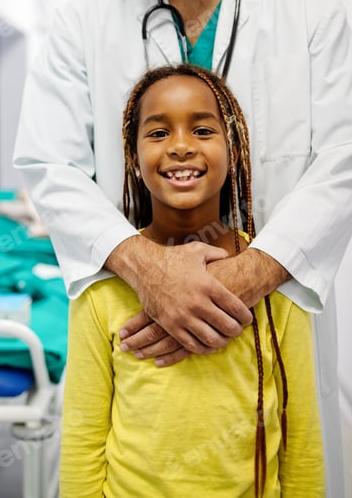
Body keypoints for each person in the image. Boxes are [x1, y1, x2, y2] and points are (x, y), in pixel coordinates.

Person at [14, 0, 352, 496]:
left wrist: (237, 282)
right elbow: (48, 167)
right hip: (141, 341)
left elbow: (346, 160)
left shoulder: (310, 16)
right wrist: (150, 273)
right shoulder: (80, 24)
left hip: (273, 329)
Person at [60, 64, 325, 497]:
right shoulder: (102, 287)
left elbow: (300, 434)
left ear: (233, 148)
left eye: (202, 131)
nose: (181, 147)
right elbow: (82, 436)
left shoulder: (274, 277)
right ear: (133, 156)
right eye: (159, 133)